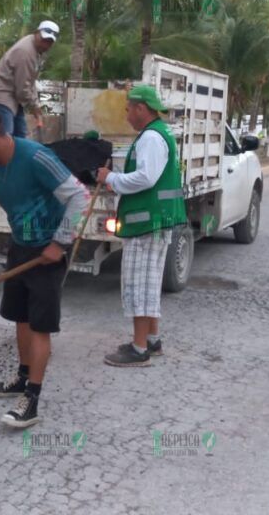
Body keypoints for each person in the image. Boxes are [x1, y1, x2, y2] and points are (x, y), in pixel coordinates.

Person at [0, 107, 88, 428]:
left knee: (40, 324)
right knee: (21, 317)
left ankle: (32, 398)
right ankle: (22, 376)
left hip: (49, 250)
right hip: (21, 246)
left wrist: (59, 243)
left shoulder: (36, 158)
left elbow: (79, 197)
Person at [96, 85, 187, 367]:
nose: (126, 114)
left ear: (141, 108)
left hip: (149, 222)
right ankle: (151, 340)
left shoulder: (150, 137)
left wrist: (111, 178)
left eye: (128, 108)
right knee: (149, 281)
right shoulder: (159, 133)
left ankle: (138, 349)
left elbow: (145, 178)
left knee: (139, 284)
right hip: (157, 221)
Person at [0, 20, 60, 139]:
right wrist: (34, 107)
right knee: (5, 138)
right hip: (1, 94)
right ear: (36, 33)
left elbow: (30, 81)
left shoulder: (36, 50)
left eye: (49, 42)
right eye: (44, 40)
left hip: (14, 96)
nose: (45, 44)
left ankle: (16, 156)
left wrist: (36, 105)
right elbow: (22, 89)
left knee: (20, 136)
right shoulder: (26, 52)